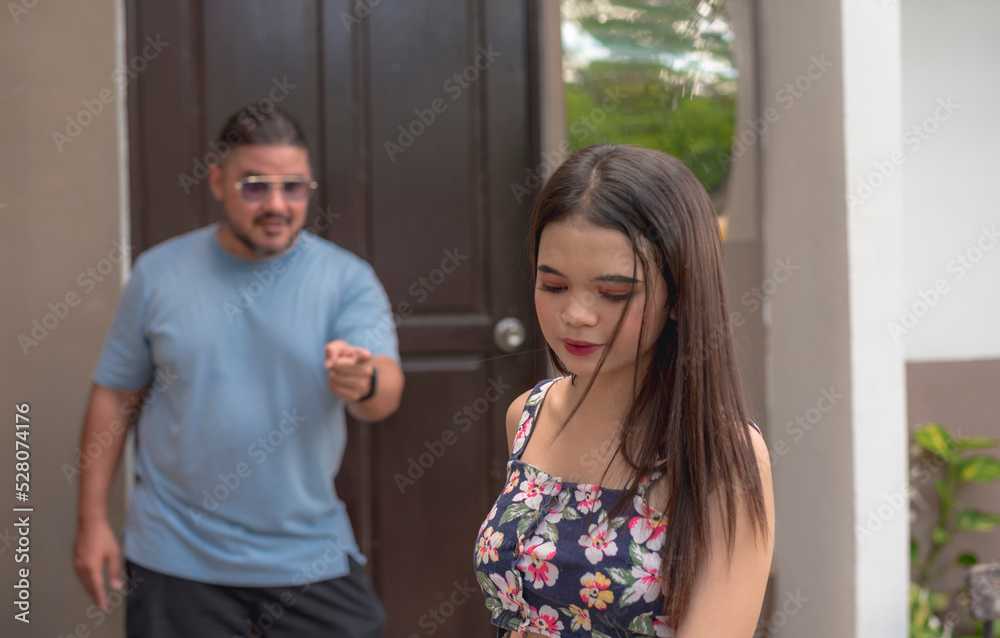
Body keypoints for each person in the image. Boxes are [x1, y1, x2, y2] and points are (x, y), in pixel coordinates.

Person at [72, 107, 404, 638]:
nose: (277, 204)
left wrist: (361, 381)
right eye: (256, 186)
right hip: (176, 554)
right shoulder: (159, 274)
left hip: (305, 552)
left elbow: (383, 391)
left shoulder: (345, 279)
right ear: (218, 182)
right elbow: (114, 395)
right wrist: (91, 521)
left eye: (294, 187)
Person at [473, 144, 774, 637]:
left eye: (613, 293)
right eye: (553, 285)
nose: (577, 315)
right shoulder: (527, 417)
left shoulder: (721, 455)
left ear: (679, 295)